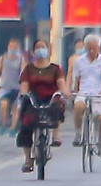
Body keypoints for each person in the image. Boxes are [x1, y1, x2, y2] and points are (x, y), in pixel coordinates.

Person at [16, 38, 70, 173]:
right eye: (38, 47)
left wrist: (64, 92)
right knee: (26, 123)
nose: (40, 50)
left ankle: (56, 134)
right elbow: (24, 85)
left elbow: (61, 84)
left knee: (57, 104)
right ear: (33, 52)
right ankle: (28, 159)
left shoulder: (55, 69)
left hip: (50, 98)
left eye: (43, 47)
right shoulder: (29, 69)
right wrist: (23, 95)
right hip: (34, 98)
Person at [68, 33, 101, 157]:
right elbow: (77, 79)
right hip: (83, 93)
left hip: (99, 95)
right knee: (78, 107)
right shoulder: (79, 61)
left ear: (99, 48)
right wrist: (74, 93)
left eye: (94, 48)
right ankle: (78, 133)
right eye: (88, 49)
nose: (91, 51)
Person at [0, 38, 25, 136]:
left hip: (16, 87)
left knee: (15, 108)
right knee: (3, 106)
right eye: (11, 46)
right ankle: (3, 125)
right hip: (4, 86)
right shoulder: (3, 58)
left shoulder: (21, 59)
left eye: (15, 47)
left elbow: (23, 73)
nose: (13, 49)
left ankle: (12, 129)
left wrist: (23, 87)